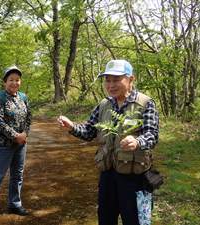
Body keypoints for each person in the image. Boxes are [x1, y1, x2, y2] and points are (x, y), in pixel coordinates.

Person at [57, 59, 159, 225]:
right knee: (105, 218)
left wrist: (138, 141)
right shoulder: (104, 104)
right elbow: (89, 131)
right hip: (107, 175)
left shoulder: (145, 103)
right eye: (108, 80)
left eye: (116, 80)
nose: (111, 85)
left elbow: (152, 134)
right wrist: (72, 127)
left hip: (133, 177)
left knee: (134, 220)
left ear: (131, 79)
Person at [0, 65, 32, 225]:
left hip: (21, 144)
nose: (14, 82)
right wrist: (15, 135)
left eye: (17, 80)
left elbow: (29, 118)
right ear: (5, 82)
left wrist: (24, 134)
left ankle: (15, 204)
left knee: (18, 175)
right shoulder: (0, 98)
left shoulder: (23, 97)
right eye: (11, 80)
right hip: (4, 144)